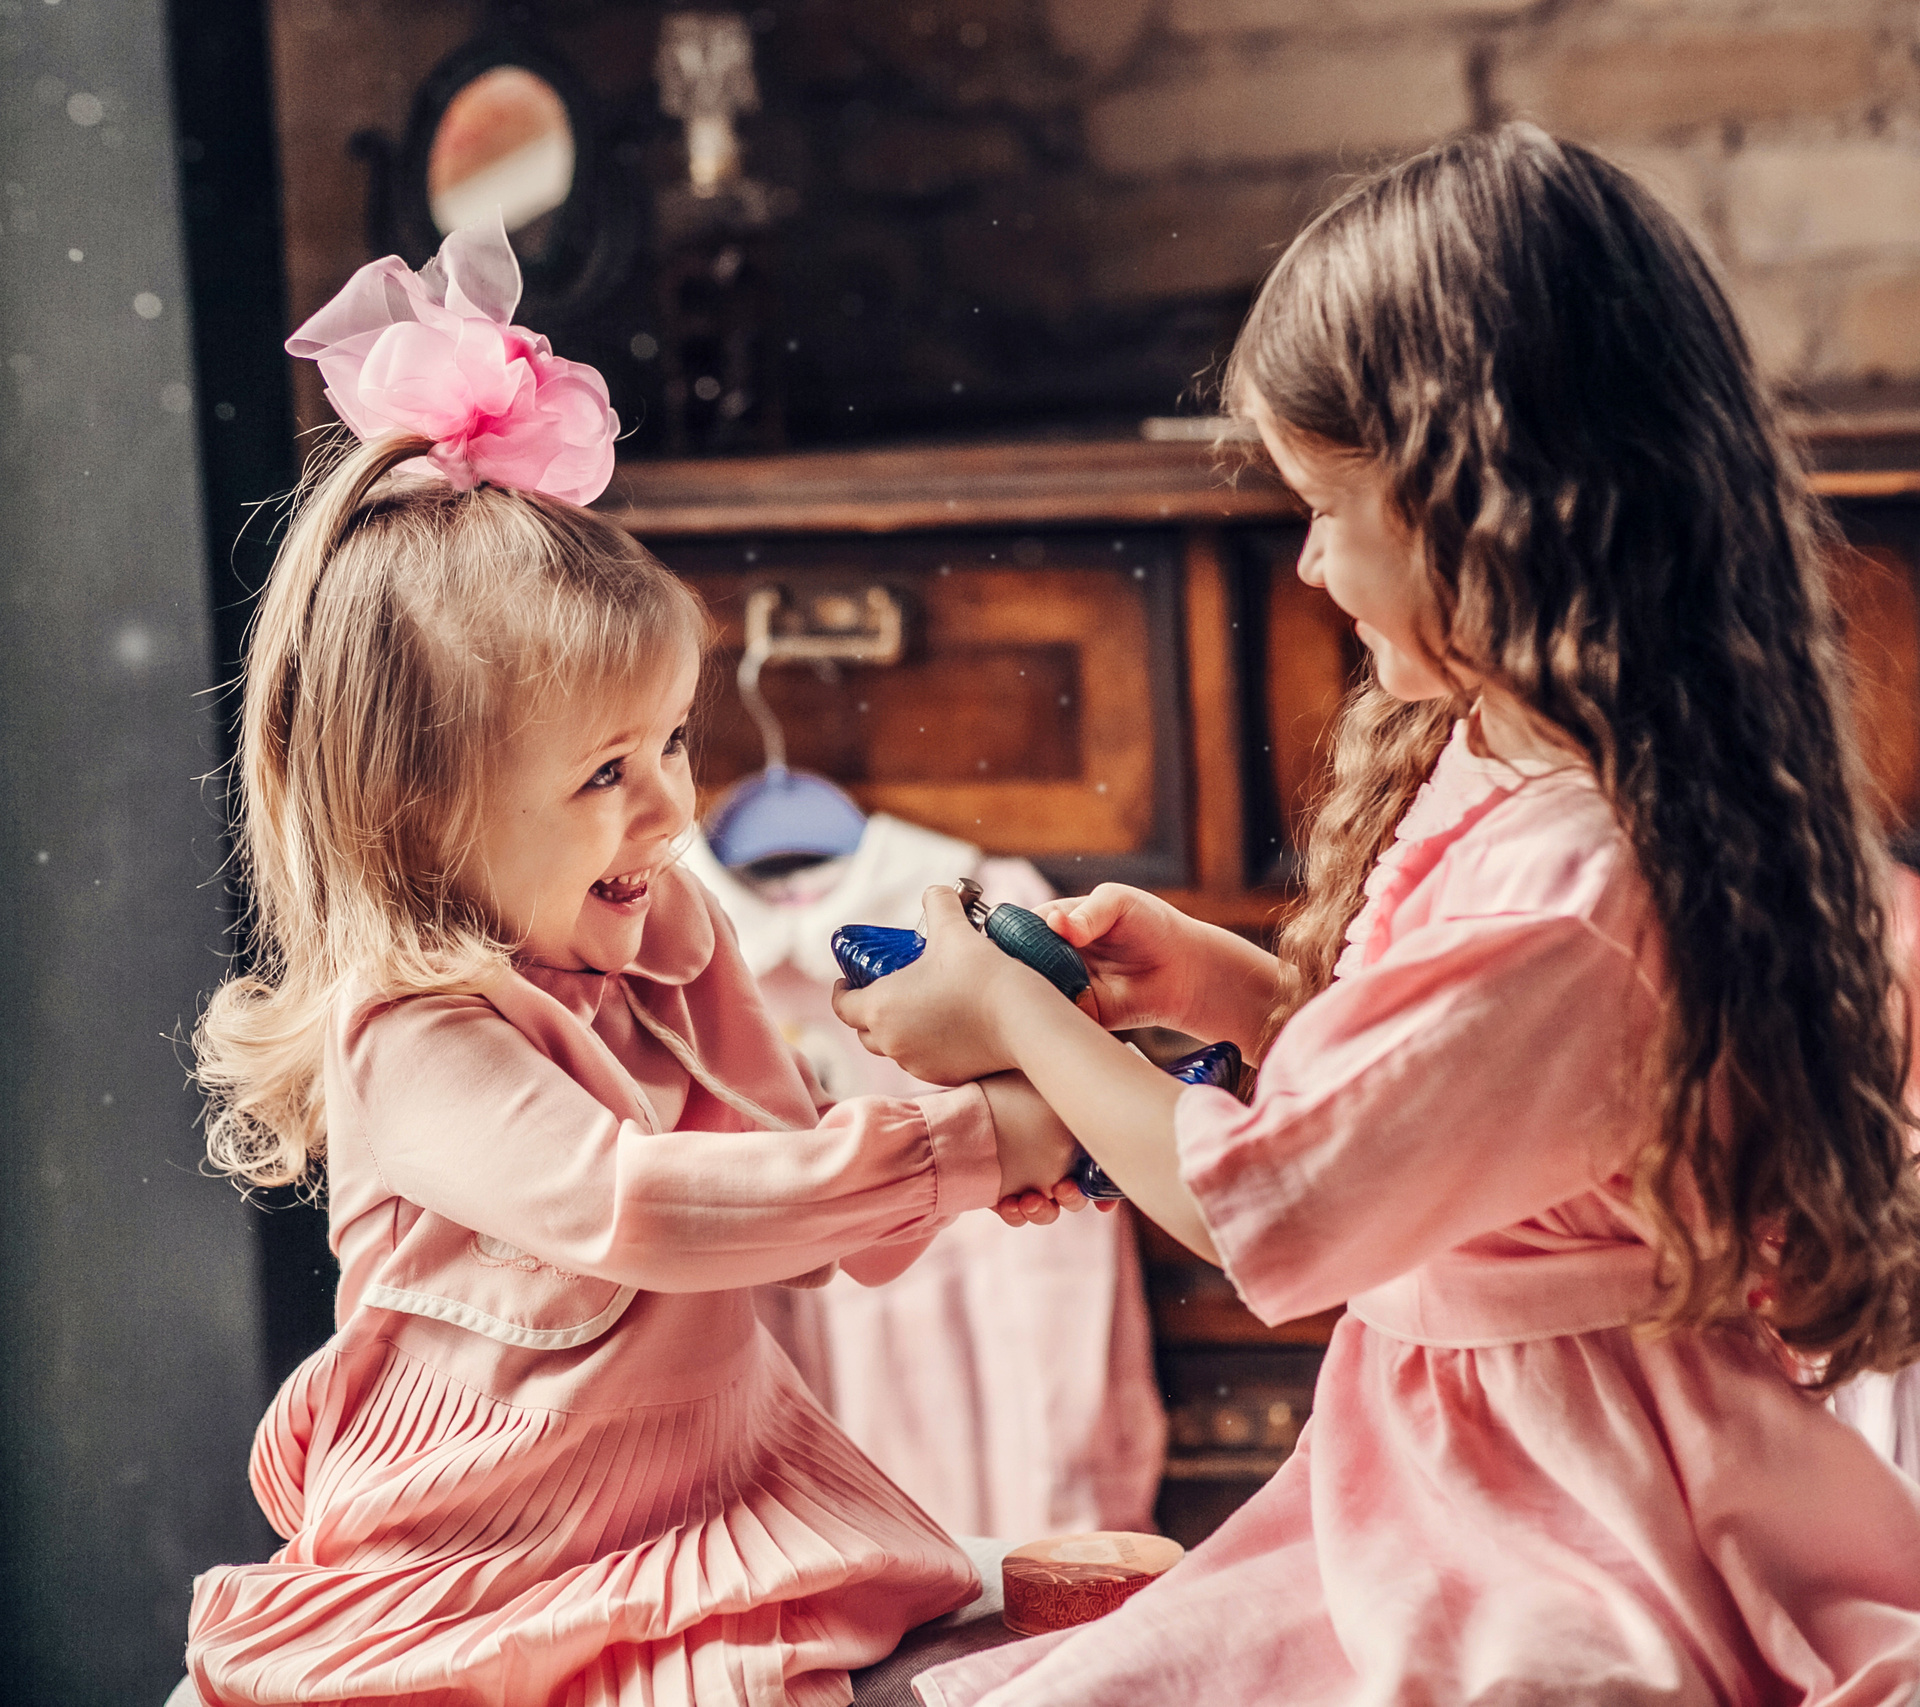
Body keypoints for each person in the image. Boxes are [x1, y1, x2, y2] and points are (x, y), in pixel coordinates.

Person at [836, 124, 1920, 1705]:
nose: (1309, 562)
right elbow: (1462, 1113)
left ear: (1493, 514)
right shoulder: (1509, 747)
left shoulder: (1584, 887)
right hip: (1434, 1471)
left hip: (1560, 1509)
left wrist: (1014, 1017)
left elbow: (1271, 1210)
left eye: (1332, 509)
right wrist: (1227, 991)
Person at [180, 220, 1079, 1707]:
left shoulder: (671, 938)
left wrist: (993, 1128)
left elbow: (789, 1177)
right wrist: (965, 1151)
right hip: (497, 1551)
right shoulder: (412, 1039)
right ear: (422, 811)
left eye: (672, 740)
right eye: (608, 772)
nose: (675, 807)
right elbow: (640, 1206)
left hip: (707, 1492)